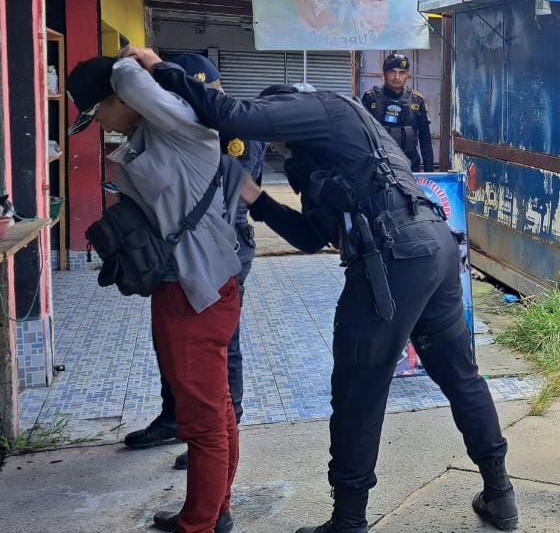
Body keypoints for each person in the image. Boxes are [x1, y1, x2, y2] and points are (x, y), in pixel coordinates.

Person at [118, 46, 517, 533]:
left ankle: (349, 520)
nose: (277, 145)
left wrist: (157, 67)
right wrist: (258, 199)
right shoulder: (327, 153)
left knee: (358, 390)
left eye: (277, 133)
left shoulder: (321, 106)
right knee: (460, 376)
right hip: (431, 249)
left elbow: (228, 111)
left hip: (392, 256)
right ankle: (499, 494)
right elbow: (311, 237)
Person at [67, 55, 242, 533]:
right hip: (185, 285)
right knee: (215, 404)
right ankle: (212, 510)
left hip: (197, 291)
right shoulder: (151, 133)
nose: (99, 123)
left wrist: (136, 58)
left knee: (203, 419)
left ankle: (200, 525)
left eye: (98, 111)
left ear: (122, 98)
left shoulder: (180, 126)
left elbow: (126, 76)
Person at [122, 53, 266, 474]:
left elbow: (235, 187)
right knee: (172, 338)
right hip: (181, 245)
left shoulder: (231, 125)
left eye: (207, 90)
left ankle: (222, 426)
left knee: (221, 342)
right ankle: (176, 417)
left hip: (224, 245)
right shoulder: (176, 122)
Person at [361, 53, 433, 171]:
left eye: (402, 72)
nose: (396, 77)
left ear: (407, 75)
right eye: (392, 72)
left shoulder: (416, 100)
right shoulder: (371, 98)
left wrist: (429, 172)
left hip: (410, 167)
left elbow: (425, 139)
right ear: (384, 73)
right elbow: (363, 137)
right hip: (380, 168)